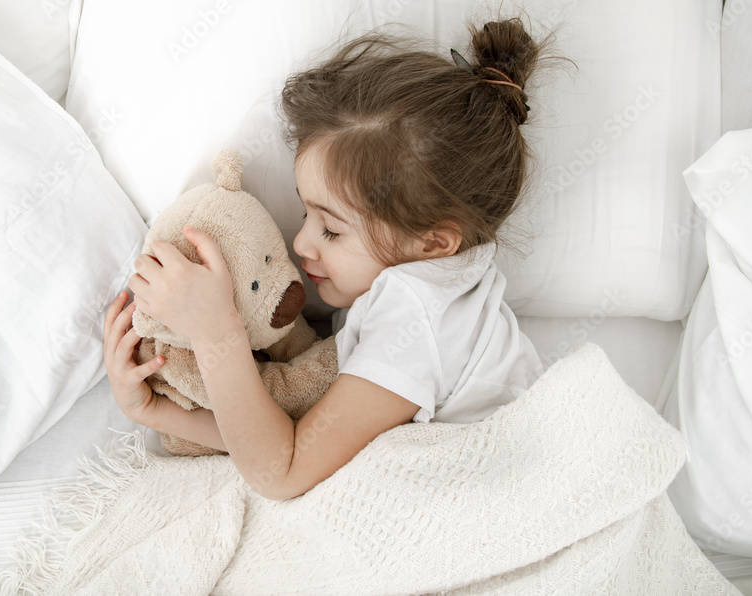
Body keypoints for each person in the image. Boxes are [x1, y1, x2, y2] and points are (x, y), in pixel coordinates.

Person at [103, 18, 545, 501]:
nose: (300, 244)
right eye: (305, 213)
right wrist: (154, 412)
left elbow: (282, 471)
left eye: (331, 229)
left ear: (434, 243)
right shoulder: (437, 288)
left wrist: (215, 330)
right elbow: (290, 437)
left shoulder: (416, 318)